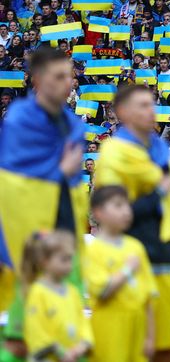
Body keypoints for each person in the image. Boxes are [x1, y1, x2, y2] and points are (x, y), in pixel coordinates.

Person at [0, 48, 86, 362]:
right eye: (59, 76)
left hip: (65, 223)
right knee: (21, 333)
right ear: (37, 80)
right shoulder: (21, 119)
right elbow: (13, 183)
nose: (68, 83)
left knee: (64, 319)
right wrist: (60, 170)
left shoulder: (72, 123)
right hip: (31, 230)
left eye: (70, 75)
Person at [93, 85, 170, 362]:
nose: (151, 111)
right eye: (142, 105)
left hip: (165, 252)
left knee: (164, 346)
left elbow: (169, 211)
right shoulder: (114, 153)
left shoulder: (160, 152)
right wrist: (157, 189)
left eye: (152, 104)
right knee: (131, 347)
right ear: (122, 112)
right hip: (133, 256)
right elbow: (110, 208)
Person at [83, 185, 157, 362]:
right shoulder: (94, 250)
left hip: (137, 327)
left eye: (127, 205)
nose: (126, 211)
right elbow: (102, 291)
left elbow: (148, 297)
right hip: (110, 327)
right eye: (118, 205)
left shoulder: (136, 247)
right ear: (98, 212)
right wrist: (127, 270)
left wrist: (151, 337)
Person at [22, 230, 92, 362]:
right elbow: (36, 329)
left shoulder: (72, 291)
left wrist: (83, 345)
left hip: (74, 355)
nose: (69, 265)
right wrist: (59, 351)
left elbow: (82, 321)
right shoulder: (38, 292)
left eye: (71, 259)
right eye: (64, 259)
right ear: (44, 261)